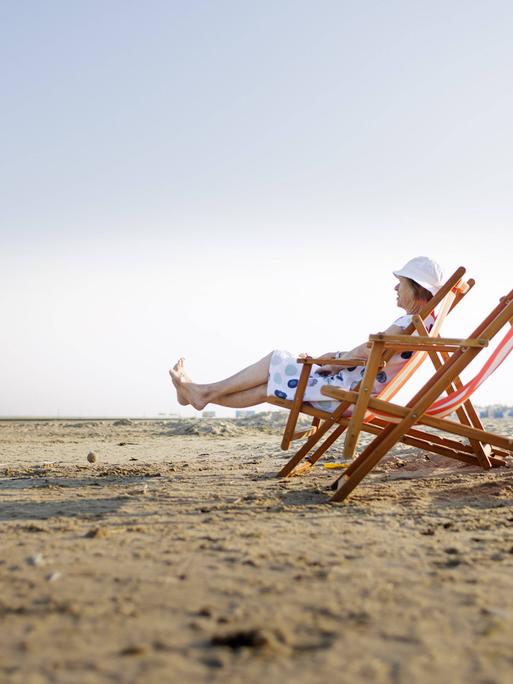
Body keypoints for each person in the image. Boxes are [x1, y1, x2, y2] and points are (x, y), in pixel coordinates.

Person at [169, 256, 444, 413]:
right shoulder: (424, 325)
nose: (395, 290)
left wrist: (330, 361)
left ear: (417, 289)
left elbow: (369, 351)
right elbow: (374, 354)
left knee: (276, 360)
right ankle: (198, 393)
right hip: (353, 389)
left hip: (344, 394)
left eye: (400, 284)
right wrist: (334, 358)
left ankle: (200, 393)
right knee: (268, 386)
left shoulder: (409, 322)